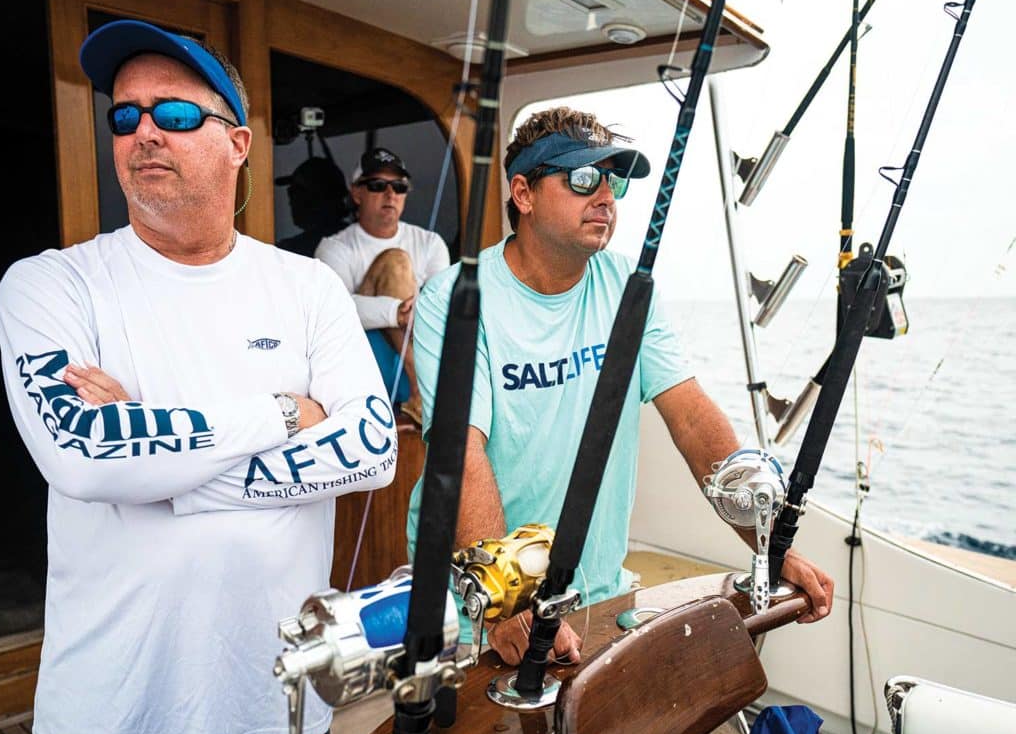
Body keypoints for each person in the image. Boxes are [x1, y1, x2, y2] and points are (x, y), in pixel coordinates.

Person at [0, 19, 398, 734]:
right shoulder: (49, 285)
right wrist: (283, 413)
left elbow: (371, 449)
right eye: (125, 115)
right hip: (111, 715)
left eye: (176, 114)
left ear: (239, 143)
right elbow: (84, 455)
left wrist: (160, 470)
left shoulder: (308, 287)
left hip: (278, 709)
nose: (145, 131)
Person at [407, 106, 834, 666]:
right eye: (583, 178)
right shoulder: (454, 298)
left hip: (594, 593)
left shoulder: (627, 287)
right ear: (523, 193)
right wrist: (507, 603)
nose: (605, 195)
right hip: (479, 605)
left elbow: (690, 417)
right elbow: (461, 455)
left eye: (614, 180)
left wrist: (770, 547)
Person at [314, 148, 449, 425]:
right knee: (396, 262)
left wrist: (412, 309)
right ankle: (422, 391)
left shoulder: (430, 243)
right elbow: (331, 311)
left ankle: (424, 394)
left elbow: (442, 309)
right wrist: (395, 311)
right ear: (356, 193)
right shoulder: (334, 248)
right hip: (363, 374)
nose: (391, 195)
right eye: (378, 185)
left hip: (420, 351)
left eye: (399, 187)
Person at [275, 155, 352, 257]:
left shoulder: (292, 251)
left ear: (320, 197)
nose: (290, 201)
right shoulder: (356, 238)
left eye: (295, 192)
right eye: (290, 192)